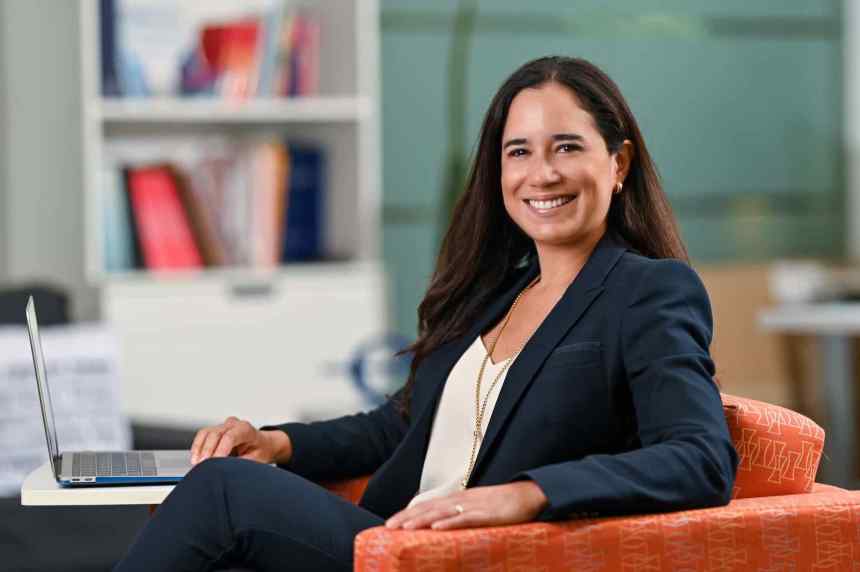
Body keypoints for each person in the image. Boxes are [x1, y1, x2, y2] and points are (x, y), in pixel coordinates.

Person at [114, 55, 738, 571]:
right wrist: (277, 442)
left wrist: (527, 495)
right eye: (518, 152)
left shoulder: (649, 291)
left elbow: (700, 457)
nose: (541, 174)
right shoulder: (496, 294)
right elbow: (399, 425)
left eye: (566, 147)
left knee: (223, 492)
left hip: (472, 556)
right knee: (223, 502)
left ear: (618, 163)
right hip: (395, 541)